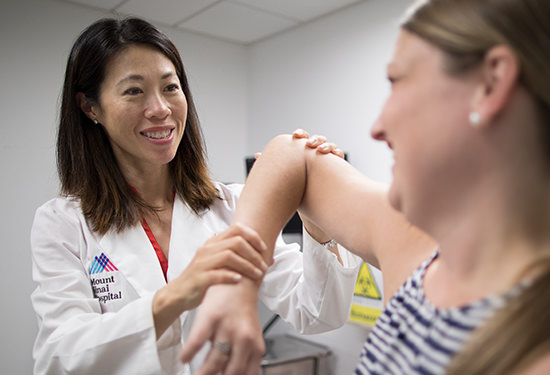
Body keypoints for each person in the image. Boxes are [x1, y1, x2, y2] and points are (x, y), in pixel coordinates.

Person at [184, 0, 550, 373]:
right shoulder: (416, 250)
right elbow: (290, 155)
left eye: (397, 82)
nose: (377, 126)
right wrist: (235, 283)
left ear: (490, 84)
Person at [30, 17, 361, 375]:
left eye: (170, 87)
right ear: (90, 107)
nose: (160, 108)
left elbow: (316, 314)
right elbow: (58, 357)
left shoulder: (234, 205)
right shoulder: (63, 224)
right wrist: (177, 295)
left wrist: (315, 220)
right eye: (134, 91)